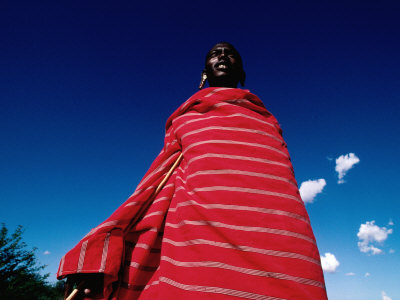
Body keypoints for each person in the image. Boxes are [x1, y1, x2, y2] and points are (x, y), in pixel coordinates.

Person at [60, 42, 328, 300]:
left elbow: (282, 189)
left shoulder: (267, 123)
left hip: (283, 246)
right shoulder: (186, 119)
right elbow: (154, 188)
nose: (222, 56)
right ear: (204, 75)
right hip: (198, 245)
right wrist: (105, 252)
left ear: (242, 73)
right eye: (215, 54)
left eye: (230, 54)